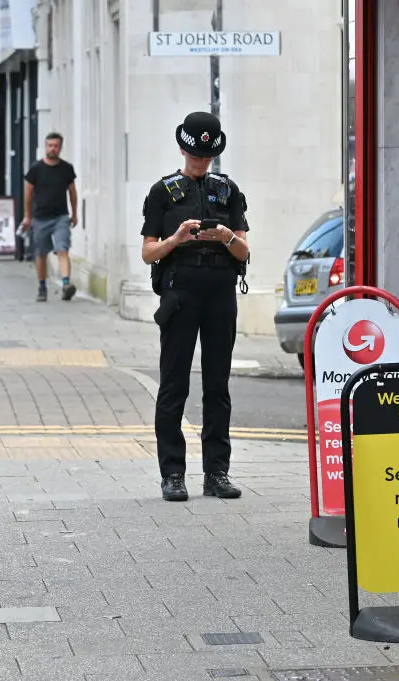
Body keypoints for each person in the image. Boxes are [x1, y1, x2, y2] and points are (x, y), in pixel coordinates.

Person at [140, 112, 251, 502]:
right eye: (195, 154)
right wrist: (176, 238)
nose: (201, 161)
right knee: (174, 385)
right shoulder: (162, 192)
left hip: (220, 292)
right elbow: (148, 251)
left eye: (207, 155)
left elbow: (244, 249)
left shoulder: (228, 190)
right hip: (180, 292)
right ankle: (172, 473)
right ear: (184, 148)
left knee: (218, 386)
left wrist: (224, 237)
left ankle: (216, 472)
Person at [21, 132, 78, 302]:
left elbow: (73, 193)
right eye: (50, 145)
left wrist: (74, 214)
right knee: (41, 253)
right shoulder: (36, 169)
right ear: (46, 146)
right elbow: (28, 193)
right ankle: (42, 286)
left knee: (63, 248)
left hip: (61, 216)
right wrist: (27, 216)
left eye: (56, 146)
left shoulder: (66, 168)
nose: (53, 148)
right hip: (40, 218)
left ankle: (66, 284)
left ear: (60, 147)